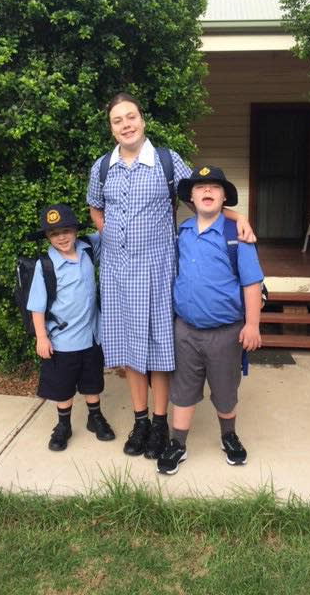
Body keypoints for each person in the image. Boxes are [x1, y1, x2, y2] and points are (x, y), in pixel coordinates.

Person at [87, 93, 256, 460]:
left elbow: (200, 197)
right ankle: (141, 421)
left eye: (131, 116)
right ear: (111, 128)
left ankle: (161, 423)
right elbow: (95, 207)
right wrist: (112, 236)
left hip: (159, 271)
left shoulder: (166, 161)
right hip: (118, 274)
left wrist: (238, 217)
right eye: (118, 120)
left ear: (142, 120)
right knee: (131, 352)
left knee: (159, 350)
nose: (126, 124)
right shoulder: (102, 167)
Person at [157, 166, 263, 475]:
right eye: (200, 187)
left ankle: (228, 436)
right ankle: (177, 442)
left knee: (225, 389)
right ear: (191, 196)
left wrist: (252, 324)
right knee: (183, 390)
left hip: (225, 332)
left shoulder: (237, 237)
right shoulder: (183, 233)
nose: (207, 191)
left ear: (224, 197)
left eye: (214, 188)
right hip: (185, 330)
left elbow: (251, 283)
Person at [26, 203, 115, 452]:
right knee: (62, 386)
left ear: (76, 230)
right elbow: (37, 307)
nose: (62, 237)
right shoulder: (46, 266)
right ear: (47, 237)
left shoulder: (87, 249)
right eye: (54, 233)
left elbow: (112, 232)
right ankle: (63, 425)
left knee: (92, 382)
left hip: (91, 335)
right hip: (62, 341)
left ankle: (94, 417)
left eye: (66, 230)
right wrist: (41, 338)